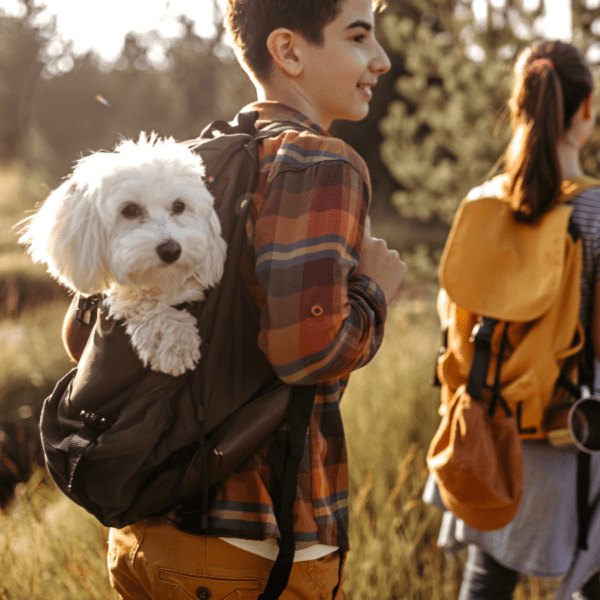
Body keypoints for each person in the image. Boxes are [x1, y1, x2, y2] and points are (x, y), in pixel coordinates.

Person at [90, 0, 407, 598]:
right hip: (253, 547)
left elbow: (85, 332)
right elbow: (306, 351)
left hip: (146, 534)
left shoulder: (182, 163)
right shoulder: (323, 160)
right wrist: (374, 293)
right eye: (360, 37)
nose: (382, 60)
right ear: (288, 51)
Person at [424, 40, 600, 600]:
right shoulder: (597, 212)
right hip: (574, 438)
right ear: (587, 109)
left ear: (519, 104)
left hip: (488, 433)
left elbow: (453, 319)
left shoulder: (482, 202)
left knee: (486, 579)